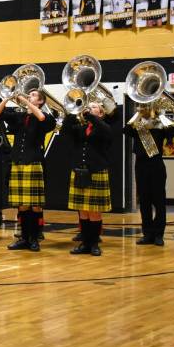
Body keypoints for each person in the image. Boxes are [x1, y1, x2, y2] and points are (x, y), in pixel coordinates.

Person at [0, 89, 56, 252]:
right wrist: (6, 98)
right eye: (29, 94)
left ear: (41, 101)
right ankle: (23, 238)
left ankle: (34, 239)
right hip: (17, 162)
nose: (30, 96)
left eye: (34, 95)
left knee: (34, 205)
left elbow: (41, 117)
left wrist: (25, 101)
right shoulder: (19, 116)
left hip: (33, 162)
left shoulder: (47, 117)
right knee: (22, 205)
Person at [123, 106, 174, 246]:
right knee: (144, 202)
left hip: (156, 165)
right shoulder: (138, 125)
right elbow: (126, 130)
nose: (146, 107)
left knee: (159, 202)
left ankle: (158, 234)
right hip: (141, 165)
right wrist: (138, 114)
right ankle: (147, 234)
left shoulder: (161, 125)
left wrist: (161, 115)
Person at [61, 103, 112, 256]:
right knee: (83, 211)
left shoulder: (104, 127)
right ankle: (85, 243)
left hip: (96, 171)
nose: (89, 108)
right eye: (88, 106)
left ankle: (94, 243)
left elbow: (106, 132)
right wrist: (72, 113)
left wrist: (89, 115)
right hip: (79, 171)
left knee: (94, 211)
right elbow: (65, 133)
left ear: (101, 113)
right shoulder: (80, 127)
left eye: (94, 107)